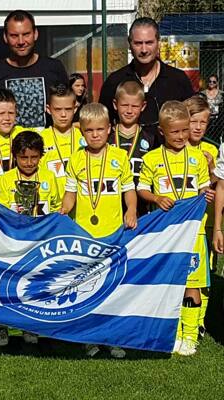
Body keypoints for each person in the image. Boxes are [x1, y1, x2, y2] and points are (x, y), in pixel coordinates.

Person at [137, 100, 214, 356]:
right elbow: (142, 189)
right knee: (168, 285)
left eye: (184, 130)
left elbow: (204, 187)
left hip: (194, 232)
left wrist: (207, 194)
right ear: (162, 131)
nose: (181, 136)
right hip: (165, 235)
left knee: (192, 283)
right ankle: (173, 334)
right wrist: (156, 198)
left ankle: (190, 334)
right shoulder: (151, 158)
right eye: (175, 132)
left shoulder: (197, 158)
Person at [60, 102, 137, 359]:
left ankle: (114, 337)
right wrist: (61, 213)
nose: (95, 134)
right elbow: (70, 194)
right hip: (85, 235)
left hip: (113, 232)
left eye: (100, 129)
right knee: (88, 286)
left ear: (109, 129)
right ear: (81, 132)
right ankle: (89, 337)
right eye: (89, 130)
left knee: (114, 286)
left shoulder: (119, 157)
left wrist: (131, 210)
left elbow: (129, 189)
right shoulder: (76, 159)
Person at [0, 131, 61, 345]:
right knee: (9, 283)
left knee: (34, 283)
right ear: (15, 156)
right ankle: (3, 327)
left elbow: (58, 207)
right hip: (13, 242)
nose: (29, 162)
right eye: (24, 158)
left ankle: (30, 326)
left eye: (34, 157)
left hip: (41, 243)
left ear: (41, 156)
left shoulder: (50, 178)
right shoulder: (5, 180)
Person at [99, 17, 194, 145]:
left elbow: (193, 121)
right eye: (138, 43)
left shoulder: (178, 80)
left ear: (158, 42)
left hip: (169, 161)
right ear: (130, 44)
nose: (144, 50)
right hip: (125, 161)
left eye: (149, 42)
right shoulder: (114, 82)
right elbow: (102, 123)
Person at [0, 10, 68, 130]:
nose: (21, 41)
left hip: (50, 146)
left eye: (26, 34)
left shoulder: (54, 68)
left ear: (35, 34)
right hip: (7, 147)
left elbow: (68, 106)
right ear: (5, 37)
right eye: (14, 36)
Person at [184, 95, 218, 338]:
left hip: (206, 221)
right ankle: (180, 319)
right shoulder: (176, 146)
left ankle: (200, 322)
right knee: (186, 273)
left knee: (205, 274)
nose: (197, 127)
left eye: (202, 123)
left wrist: (212, 170)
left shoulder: (211, 149)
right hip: (184, 224)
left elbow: (217, 185)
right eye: (193, 121)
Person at [108, 80, 154, 215]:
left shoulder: (151, 138)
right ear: (115, 105)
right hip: (111, 206)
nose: (129, 111)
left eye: (134, 106)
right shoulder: (106, 137)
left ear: (143, 106)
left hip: (142, 209)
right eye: (124, 105)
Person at [40, 84, 85, 197]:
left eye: (68, 109)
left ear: (75, 108)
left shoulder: (84, 136)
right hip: (53, 206)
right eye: (58, 109)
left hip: (82, 203)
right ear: (48, 109)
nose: (63, 114)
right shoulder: (41, 139)